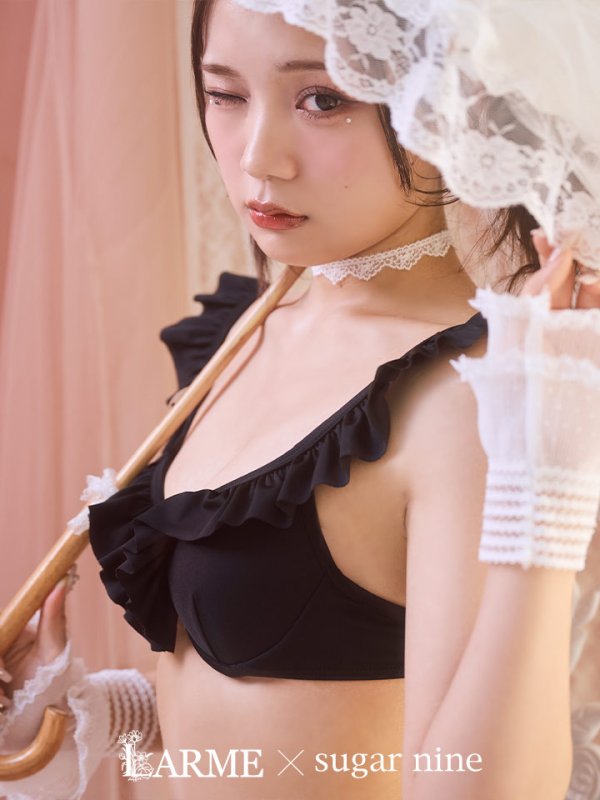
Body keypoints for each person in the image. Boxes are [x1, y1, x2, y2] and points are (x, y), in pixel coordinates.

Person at [1, 0, 598, 798]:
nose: (258, 158)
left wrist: (548, 495)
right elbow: (295, 704)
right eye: (225, 93)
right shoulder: (257, 322)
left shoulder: (469, 398)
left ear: (452, 103)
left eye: (323, 98)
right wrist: (99, 713)